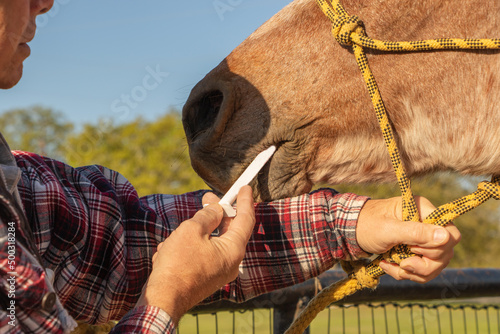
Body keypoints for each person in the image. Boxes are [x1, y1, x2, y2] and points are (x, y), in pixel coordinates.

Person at [0, 1, 460, 333]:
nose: (45, 3)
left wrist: (354, 222)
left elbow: (123, 242)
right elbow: (156, 268)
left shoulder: (15, 188)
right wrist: (165, 301)